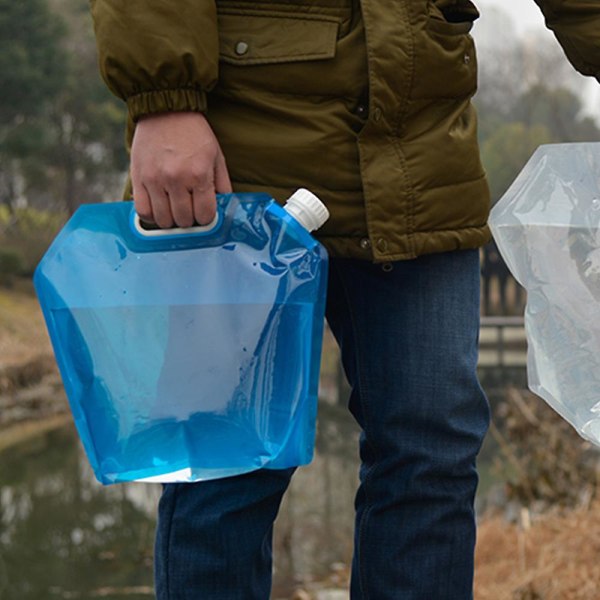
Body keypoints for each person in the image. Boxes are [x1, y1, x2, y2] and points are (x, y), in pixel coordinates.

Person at [90, 1, 600, 597]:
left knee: (431, 455)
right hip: (241, 157)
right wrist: (166, 99)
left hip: (422, 157)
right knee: (227, 468)